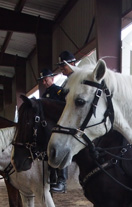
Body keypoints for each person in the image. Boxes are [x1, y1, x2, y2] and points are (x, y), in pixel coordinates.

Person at [50, 50, 77, 193]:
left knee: (62, 141)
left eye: (63, 65)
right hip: (69, 117)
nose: (61, 68)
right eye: (60, 66)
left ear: (72, 63)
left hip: (76, 120)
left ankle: (62, 180)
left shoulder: (78, 78)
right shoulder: (68, 80)